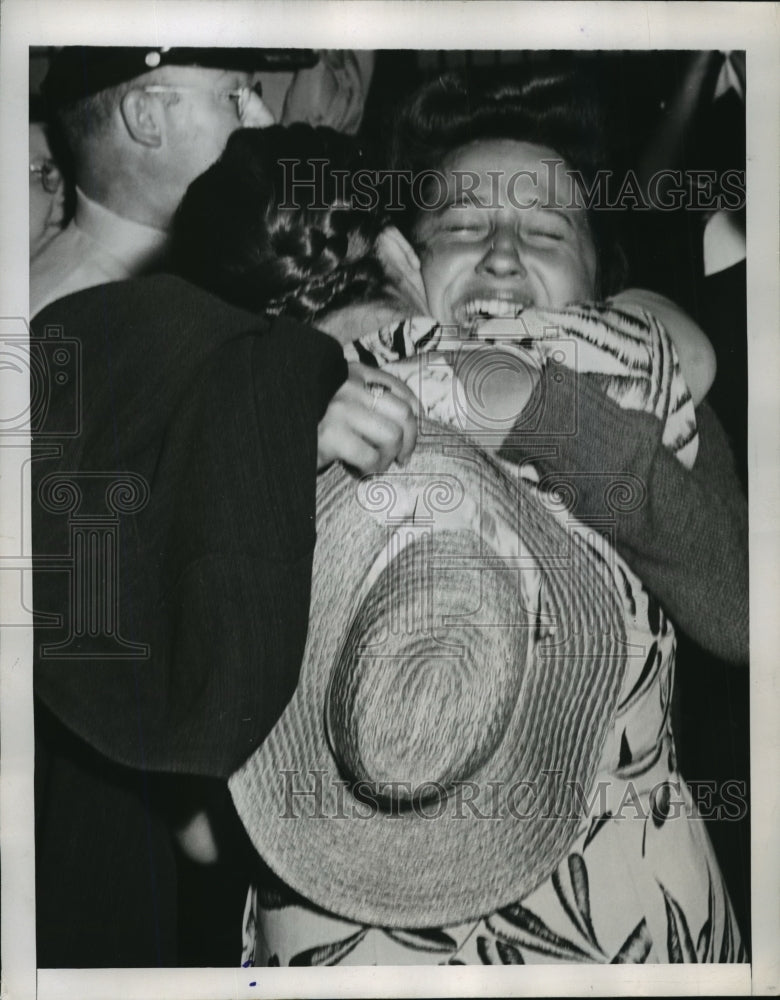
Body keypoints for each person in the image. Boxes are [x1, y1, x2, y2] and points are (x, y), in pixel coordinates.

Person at [171, 72, 748, 965]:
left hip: (622, 940)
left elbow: (745, 610)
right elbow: (200, 818)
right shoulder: (296, 400)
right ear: (403, 262)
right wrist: (279, 445)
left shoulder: (647, 388)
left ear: (601, 281)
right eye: (464, 228)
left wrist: (538, 409)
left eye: (549, 232)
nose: (506, 254)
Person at [29, 46, 372, 317]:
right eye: (232, 98)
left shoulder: (220, 273)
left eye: (253, 94)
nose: (263, 121)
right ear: (144, 118)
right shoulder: (61, 322)